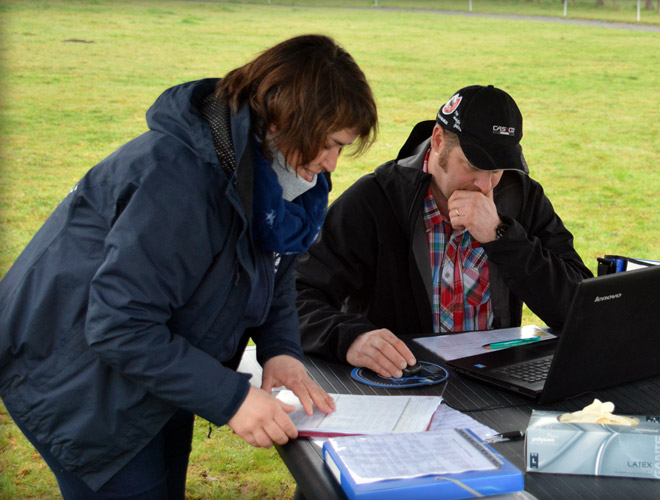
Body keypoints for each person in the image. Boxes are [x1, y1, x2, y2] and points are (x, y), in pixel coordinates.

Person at [0, 34, 377, 499]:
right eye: (328, 144)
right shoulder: (180, 180)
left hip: (159, 364)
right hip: (79, 376)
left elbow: (275, 263)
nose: (330, 164)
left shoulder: (267, 169)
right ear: (284, 117)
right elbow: (120, 325)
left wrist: (279, 348)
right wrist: (233, 398)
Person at [296, 85, 592, 378]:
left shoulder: (521, 199)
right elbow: (296, 296)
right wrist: (350, 338)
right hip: (403, 383)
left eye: (497, 169)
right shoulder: (376, 201)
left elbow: (581, 308)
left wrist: (501, 236)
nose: (486, 185)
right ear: (438, 140)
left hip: (496, 383)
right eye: (473, 165)